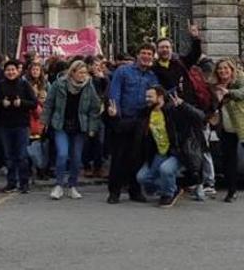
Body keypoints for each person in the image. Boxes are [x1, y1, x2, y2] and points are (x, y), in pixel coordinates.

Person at [105, 43, 159, 204]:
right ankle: (114, 192)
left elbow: (156, 95)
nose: (146, 56)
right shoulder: (123, 71)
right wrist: (115, 113)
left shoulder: (152, 76)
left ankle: (135, 191)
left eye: (149, 54)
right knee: (119, 157)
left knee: (137, 157)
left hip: (141, 120)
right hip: (123, 118)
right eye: (143, 52)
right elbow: (115, 92)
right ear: (137, 54)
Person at [135, 86, 205, 208]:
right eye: (146, 96)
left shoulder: (173, 110)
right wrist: (112, 116)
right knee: (142, 177)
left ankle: (168, 194)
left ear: (160, 97)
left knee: (165, 169)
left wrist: (183, 105)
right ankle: (174, 188)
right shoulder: (146, 113)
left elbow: (200, 117)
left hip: (177, 152)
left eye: (150, 96)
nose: (147, 99)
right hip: (159, 152)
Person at [42, 61, 102, 200]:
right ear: (72, 72)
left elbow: (95, 108)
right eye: (80, 72)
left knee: (76, 158)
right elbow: (49, 103)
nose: (83, 75)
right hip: (61, 124)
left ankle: (72, 185)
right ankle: (58, 185)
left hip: (79, 126)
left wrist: (92, 127)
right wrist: (44, 121)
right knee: (62, 154)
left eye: (85, 73)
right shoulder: (59, 84)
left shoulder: (88, 86)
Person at [0, 59, 37, 193]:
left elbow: (34, 103)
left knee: (21, 155)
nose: (10, 72)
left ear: (18, 71)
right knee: (9, 156)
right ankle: (11, 182)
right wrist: (1, 103)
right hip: (4, 125)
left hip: (22, 125)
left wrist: (21, 103)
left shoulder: (24, 84)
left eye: (13, 70)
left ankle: (24, 182)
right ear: (4, 72)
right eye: (8, 70)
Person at [212, 58, 244, 203]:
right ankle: (232, 191)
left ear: (231, 70)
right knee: (229, 160)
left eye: (226, 68)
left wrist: (227, 92)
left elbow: (242, 93)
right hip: (225, 126)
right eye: (220, 68)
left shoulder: (239, 80)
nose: (222, 71)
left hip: (241, 124)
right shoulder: (214, 86)